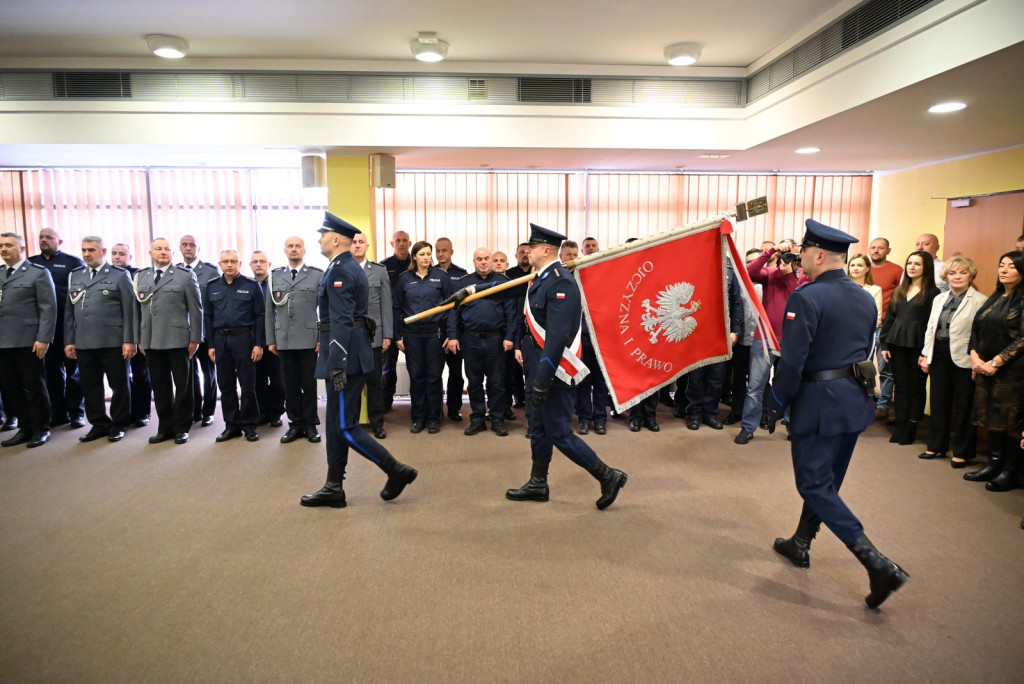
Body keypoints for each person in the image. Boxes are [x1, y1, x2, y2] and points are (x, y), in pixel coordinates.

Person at [764, 219, 908, 609]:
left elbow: (793, 363)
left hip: (818, 403)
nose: (801, 260)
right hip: (853, 400)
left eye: (804, 254)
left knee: (813, 485)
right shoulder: (865, 297)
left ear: (818, 255)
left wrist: (775, 402)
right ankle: (800, 542)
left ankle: (876, 563)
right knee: (828, 482)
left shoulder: (806, 298)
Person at [505, 223, 627, 510]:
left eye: (532, 248)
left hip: (555, 371)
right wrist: (470, 290)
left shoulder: (561, 282)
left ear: (546, 251)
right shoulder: (540, 278)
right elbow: (502, 289)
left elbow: (557, 337)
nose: (527, 252)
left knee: (558, 431)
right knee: (538, 426)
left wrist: (542, 379)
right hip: (538, 366)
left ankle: (608, 475)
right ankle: (538, 483)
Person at [300, 212, 418, 509]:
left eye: (323, 235)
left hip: (345, 356)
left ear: (336, 240)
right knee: (336, 424)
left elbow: (342, 320)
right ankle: (333, 486)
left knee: (344, 425)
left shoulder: (341, 270)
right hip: (348, 352)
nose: (319, 240)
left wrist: (338, 362)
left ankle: (395, 470)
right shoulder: (343, 266)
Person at [734, 241, 807, 444]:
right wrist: (772, 251)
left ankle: (792, 426)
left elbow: (798, 299)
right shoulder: (770, 274)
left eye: (791, 255)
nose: (787, 259)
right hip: (765, 337)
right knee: (755, 386)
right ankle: (748, 427)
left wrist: (789, 274)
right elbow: (750, 272)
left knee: (791, 385)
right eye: (785, 255)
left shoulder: (805, 277)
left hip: (792, 341)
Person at [64, 236, 136, 443]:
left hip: (113, 341)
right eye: (84, 250)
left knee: (119, 385)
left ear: (103, 252)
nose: (87, 254)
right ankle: (98, 424)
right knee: (90, 386)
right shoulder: (75, 275)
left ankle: (119, 424)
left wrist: (129, 340)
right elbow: (69, 311)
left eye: (91, 250)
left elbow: (130, 310)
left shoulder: (119, 275)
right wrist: (69, 340)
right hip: (84, 341)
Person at [962, 251, 1024, 491]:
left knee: (1010, 421)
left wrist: (996, 362)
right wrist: (974, 357)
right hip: (985, 367)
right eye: (1001, 265)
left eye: (1011, 266)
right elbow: (976, 330)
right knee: (991, 417)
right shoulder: (996, 297)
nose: (1004, 270)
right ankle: (994, 463)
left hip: (1012, 373)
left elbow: (1022, 338)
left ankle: (1010, 471)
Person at [134, 238, 202, 445]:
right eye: (158, 249)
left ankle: (181, 428)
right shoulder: (141, 277)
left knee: (183, 387)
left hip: (178, 340)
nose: (162, 252)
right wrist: (139, 339)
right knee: (159, 386)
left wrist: (195, 338)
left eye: (166, 249)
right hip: (151, 340)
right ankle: (165, 427)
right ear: (151, 253)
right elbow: (137, 311)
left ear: (173, 253)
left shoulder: (185, 276)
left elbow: (196, 310)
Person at [918, 256, 984, 464]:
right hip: (938, 354)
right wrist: (925, 355)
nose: (957, 277)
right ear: (946, 276)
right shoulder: (939, 298)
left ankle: (962, 452)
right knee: (938, 403)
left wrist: (977, 360)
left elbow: (980, 334)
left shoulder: (980, 300)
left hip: (965, 357)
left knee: (964, 407)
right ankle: (936, 447)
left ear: (971, 276)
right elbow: (931, 328)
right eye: (952, 273)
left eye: (963, 272)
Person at [445, 247, 516, 437]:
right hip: (470, 339)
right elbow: (454, 312)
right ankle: (477, 419)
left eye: (486, 258)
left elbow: (511, 313)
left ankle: (497, 419)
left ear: (491, 260)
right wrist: (452, 336)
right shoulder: (463, 283)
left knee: (497, 382)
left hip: (496, 339)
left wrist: (509, 336)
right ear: (474, 261)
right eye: (479, 259)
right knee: (474, 381)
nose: (483, 262)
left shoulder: (503, 282)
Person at [0, 232, 56, 448]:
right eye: (1, 246)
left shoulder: (37, 273)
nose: (4, 249)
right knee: (12, 388)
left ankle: (41, 429)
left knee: (35, 387)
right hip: (3, 342)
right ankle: (25, 427)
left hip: (29, 341)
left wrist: (44, 338)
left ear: (22, 249)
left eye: (9, 245)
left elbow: (48, 308)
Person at [266, 236, 322, 444]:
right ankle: (295, 424)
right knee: (289, 385)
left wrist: (321, 338)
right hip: (284, 340)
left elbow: (324, 310)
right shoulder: (275, 276)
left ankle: (310, 425)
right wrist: (271, 339)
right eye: (290, 246)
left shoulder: (317, 275)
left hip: (309, 339)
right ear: (285, 250)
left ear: (304, 250)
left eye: (298, 246)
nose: (294, 249)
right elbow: (269, 312)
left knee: (309, 385)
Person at [205, 250, 265, 443]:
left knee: (248, 384)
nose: (229, 264)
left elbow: (260, 316)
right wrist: (211, 345)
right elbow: (208, 317)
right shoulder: (212, 286)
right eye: (225, 261)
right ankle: (231, 425)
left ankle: (249, 425)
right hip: (220, 339)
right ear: (220, 264)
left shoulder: (251, 285)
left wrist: (258, 344)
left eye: (233, 261)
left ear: (239, 264)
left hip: (243, 338)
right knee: (225, 384)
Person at [880, 251, 939, 445]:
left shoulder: (933, 293)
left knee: (916, 386)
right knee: (901, 386)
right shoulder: (900, 289)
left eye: (917, 264)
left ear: (926, 267)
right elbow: (890, 318)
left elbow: (932, 324)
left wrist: (927, 352)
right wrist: (884, 344)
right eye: (909, 263)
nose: (912, 267)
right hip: (896, 342)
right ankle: (900, 424)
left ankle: (912, 426)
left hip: (919, 344)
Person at [29, 227, 85, 428]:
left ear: (59, 241)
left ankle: (77, 412)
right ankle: (58, 413)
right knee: (50, 373)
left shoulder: (72, 263)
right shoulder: (30, 263)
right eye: (41, 237)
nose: (44, 240)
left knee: (74, 372)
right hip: (44, 327)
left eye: (49, 237)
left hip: (67, 324)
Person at [393, 241, 451, 434]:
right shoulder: (404, 279)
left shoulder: (441, 277)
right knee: (417, 377)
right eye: (422, 254)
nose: (426, 257)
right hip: (412, 334)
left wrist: (450, 334)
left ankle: (434, 418)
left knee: (433, 377)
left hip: (435, 333)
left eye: (428, 254)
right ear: (414, 257)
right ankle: (418, 418)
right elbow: (396, 308)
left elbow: (452, 307)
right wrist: (397, 335)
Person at [352, 232, 393, 439]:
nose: (357, 245)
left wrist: (387, 334)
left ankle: (377, 424)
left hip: (373, 335)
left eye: (361, 242)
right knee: (353, 383)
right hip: (350, 336)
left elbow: (386, 304)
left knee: (374, 382)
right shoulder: (341, 270)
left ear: (367, 246)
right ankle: (352, 424)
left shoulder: (379, 271)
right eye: (354, 242)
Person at [178, 234, 220, 427]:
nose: (188, 248)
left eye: (192, 245)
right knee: (189, 374)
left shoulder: (210, 271)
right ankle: (194, 410)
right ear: (180, 248)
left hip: (205, 331)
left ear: (198, 248)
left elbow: (216, 304)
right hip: (183, 333)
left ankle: (208, 411)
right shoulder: (176, 272)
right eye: (185, 245)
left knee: (208, 372)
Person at [111, 242, 152, 427]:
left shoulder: (139, 275)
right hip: (116, 334)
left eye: (121, 254)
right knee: (120, 377)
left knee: (140, 373)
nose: (117, 256)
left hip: (138, 332)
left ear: (129, 257)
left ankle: (142, 412)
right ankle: (124, 414)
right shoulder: (108, 275)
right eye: (114, 253)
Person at [867, 237, 904, 420]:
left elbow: (901, 298)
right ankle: (864, 401)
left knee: (885, 368)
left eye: (880, 248)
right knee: (862, 365)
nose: (876, 250)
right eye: (873, 247)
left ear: (888, 250)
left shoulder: (897, 270)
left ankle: (883, 405)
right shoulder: (863, 268)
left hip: (885, 327)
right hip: (864, 327)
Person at [250, 251, 285, 428]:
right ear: (250, 265)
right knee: (258, 380)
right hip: (254, 341)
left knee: (278, 380)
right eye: (255, 261)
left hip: (275, 340)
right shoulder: (248, 286)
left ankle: (276, 412)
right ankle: (262, 412)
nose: (258, 264)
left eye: (262, 261)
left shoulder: (276, 284)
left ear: (269, 264)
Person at [435, 237, 469, 422]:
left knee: (456, 373)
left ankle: (454, 409)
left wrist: (453, 332)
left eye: (444, 250)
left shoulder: (462, 275)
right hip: (436, 330)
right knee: (435, 373)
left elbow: (464, 305)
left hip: (456, 330)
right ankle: (436, 410)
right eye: (438, 250)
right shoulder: (430, 273)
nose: (441, 254)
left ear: (451, 252)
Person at [379, 230, 411, 413]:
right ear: (392, 244)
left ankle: (419, 405)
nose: (401, 243)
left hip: (411, 321)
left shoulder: (416, 263)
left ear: (409, 243)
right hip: (390, 322)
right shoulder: (383, 266)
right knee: (387, 368)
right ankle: (385, 403)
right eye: (398, 240)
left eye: (405, 240)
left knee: (417, 368)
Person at [504, 242, 532, 410]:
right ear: (516, 256)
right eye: (522, 252)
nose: (525, 255)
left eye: (528, 252)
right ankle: (518, 396)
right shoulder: (509, 275)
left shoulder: (537, 273)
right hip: (513, 321)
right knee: (514, 366)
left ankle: (530, 397)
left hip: (531, 324)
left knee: (530, 364)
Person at [846, 253, 883, 325]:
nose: (855, 268)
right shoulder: (840, 288)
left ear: (868, 269)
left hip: (865, 329)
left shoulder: (875, 290)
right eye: (852, 265)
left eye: (860, 265)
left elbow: (877, 318)